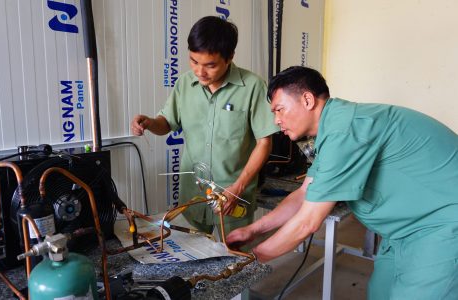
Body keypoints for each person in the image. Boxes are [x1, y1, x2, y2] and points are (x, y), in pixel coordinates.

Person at [226, 66, 458, 299]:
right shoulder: (332, 130)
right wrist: (253, 230)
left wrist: (253, 258)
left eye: (280, 110)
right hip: (402, 231)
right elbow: (305, 193)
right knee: (380, 292)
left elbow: (308, 222)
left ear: (307, 100)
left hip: (442, 225)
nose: (277, 121)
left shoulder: (344, 129)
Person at [130, 16, 279, 235]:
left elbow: (264, 142)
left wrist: (238, 187)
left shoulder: (253, 87)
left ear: (229, 58)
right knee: (195, 259)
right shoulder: (184, 84)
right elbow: (166, 124)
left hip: (232, 196)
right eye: (194, 61)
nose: (200, 72)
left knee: (233, 261)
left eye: (210, 65)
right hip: (193, 195)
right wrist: (150, 122)